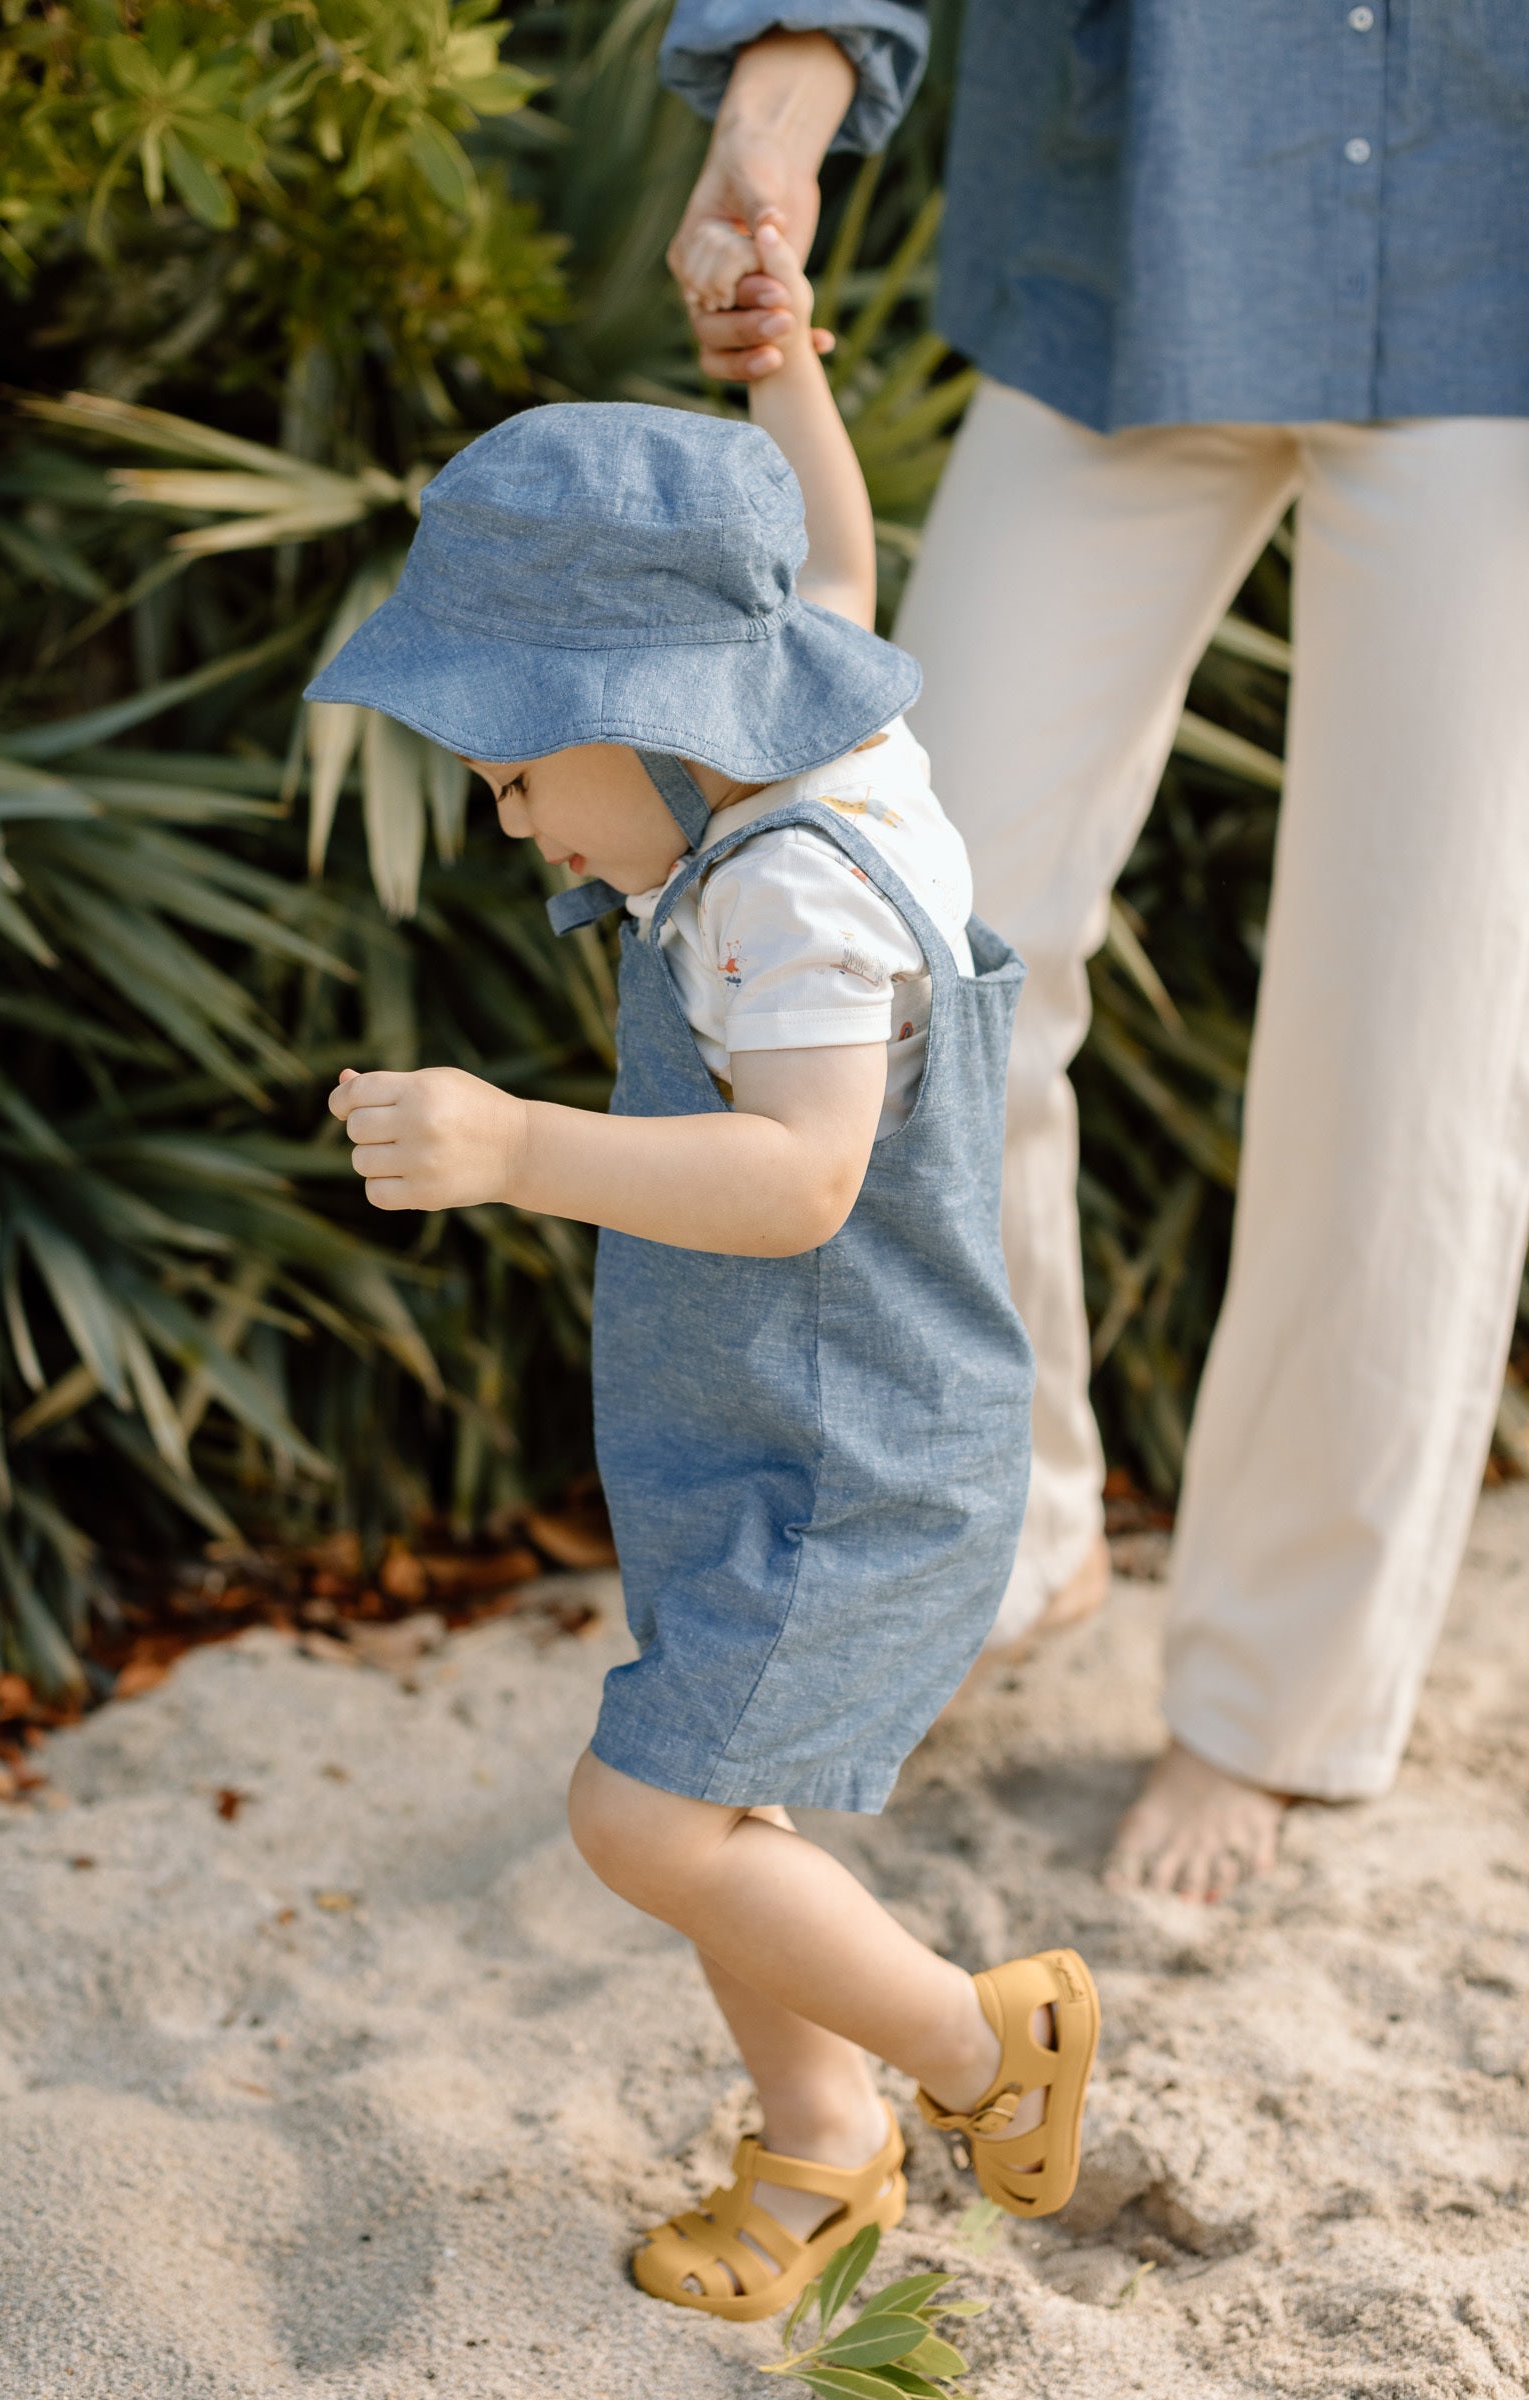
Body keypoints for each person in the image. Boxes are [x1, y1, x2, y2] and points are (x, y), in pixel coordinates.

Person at [310, 219, 1099, 2318]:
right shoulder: (817, 733)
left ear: (656, 715)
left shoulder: (785, 906)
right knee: (713, 1807)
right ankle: (819, 2151)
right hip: (756, 1421)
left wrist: (507, 1145)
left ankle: (967, 2047)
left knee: (644, 1823)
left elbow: (799, 1180)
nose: (510, 823)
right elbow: (819, 556)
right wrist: (788, 382)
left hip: (841, 1448)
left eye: (513, 771)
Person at [658, 7, 1529, 1902]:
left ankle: (1271, 1707)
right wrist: (773, 128)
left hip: (1500, 260)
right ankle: (1022, 1516)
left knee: (1410, 1027)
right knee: (904, 925)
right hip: (1142, 246)